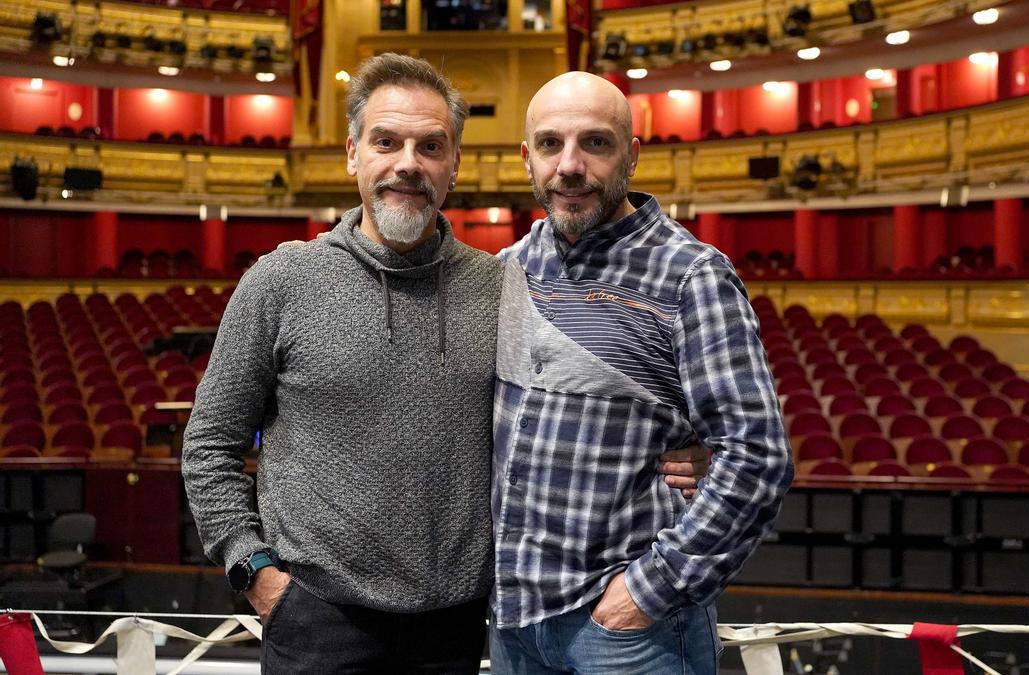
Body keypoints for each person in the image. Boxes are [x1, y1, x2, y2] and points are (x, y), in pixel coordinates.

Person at [183, 54, 705, 674]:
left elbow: (589, 391)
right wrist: (254, 571)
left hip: (456, 627)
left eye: (430, 145)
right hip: (316, 619)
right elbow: (209, 445)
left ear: (454, 163)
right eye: (387, 141)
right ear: (353, 154)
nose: (408, 163)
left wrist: (693, 448)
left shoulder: (504, 285)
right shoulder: (281, 280)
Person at [487, 71, 794, 674]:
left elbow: (757, 457)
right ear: (527, 157)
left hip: (627, 633)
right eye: (550, 144)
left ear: (632, 153)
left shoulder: (692, 275)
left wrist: (650, 591)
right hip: (514, 622)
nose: (569, 165)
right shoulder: (506, 269)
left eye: (595, 143)